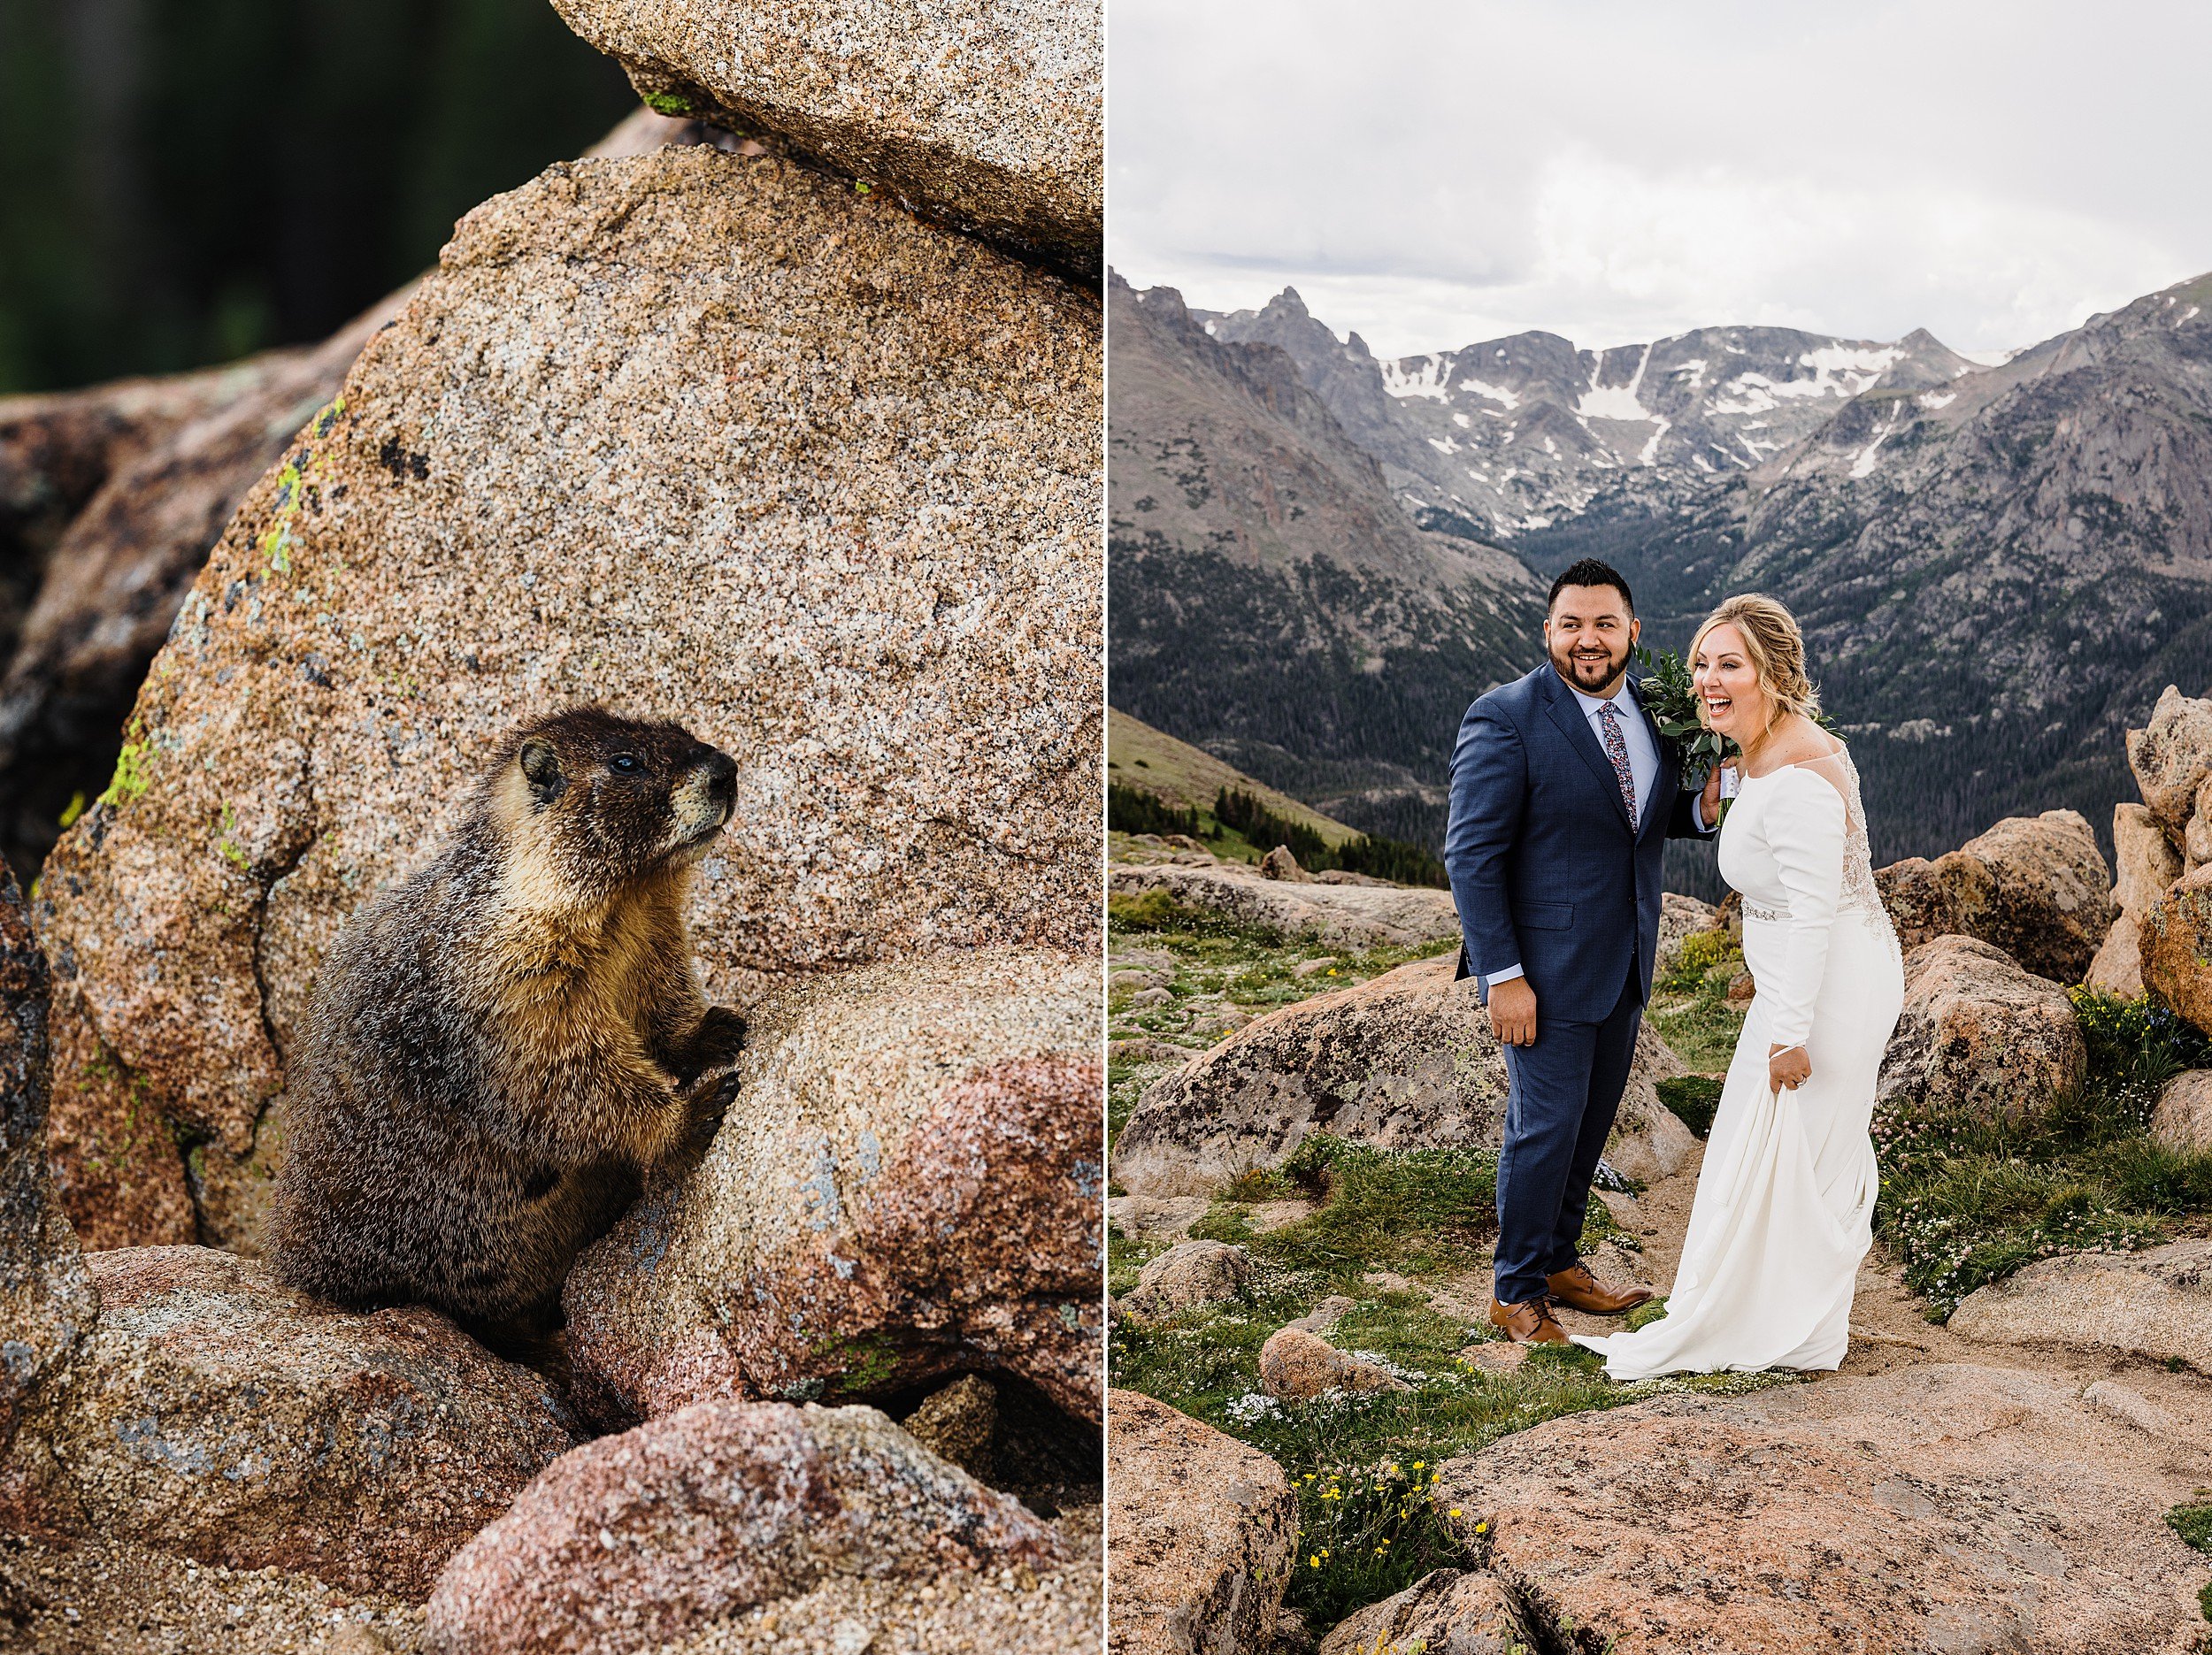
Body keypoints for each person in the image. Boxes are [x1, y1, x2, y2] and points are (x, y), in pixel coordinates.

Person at [1574, 593, 1904, 1377]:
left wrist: (1788, 1031)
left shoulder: (1796, 776)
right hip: (1805, 978)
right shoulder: (1763, 751)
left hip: (1827, 991)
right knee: (1766, 1150)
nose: (1707, 681)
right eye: (1701, 665)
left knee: (1796, 1152)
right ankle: (1792, 1322)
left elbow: (1818, 911)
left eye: (1729, 665)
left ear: (1774, 673)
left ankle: (1795, 1330)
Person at [1445, 558, 1722, 1345]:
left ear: (1633, 632)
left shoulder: (1653, 709)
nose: (1587, 640)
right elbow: (1471, 856)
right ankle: (1514, 1290)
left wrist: (1698, 813)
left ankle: (1561, 1263)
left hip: (1625, 961)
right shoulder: (1504, 717)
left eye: (1604, 624)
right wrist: (1503, 977)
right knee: (1544, 1126)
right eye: (1571, 624)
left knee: (1589, 1122)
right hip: (1541, 973)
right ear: (1549, 632)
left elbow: (1639, 816)